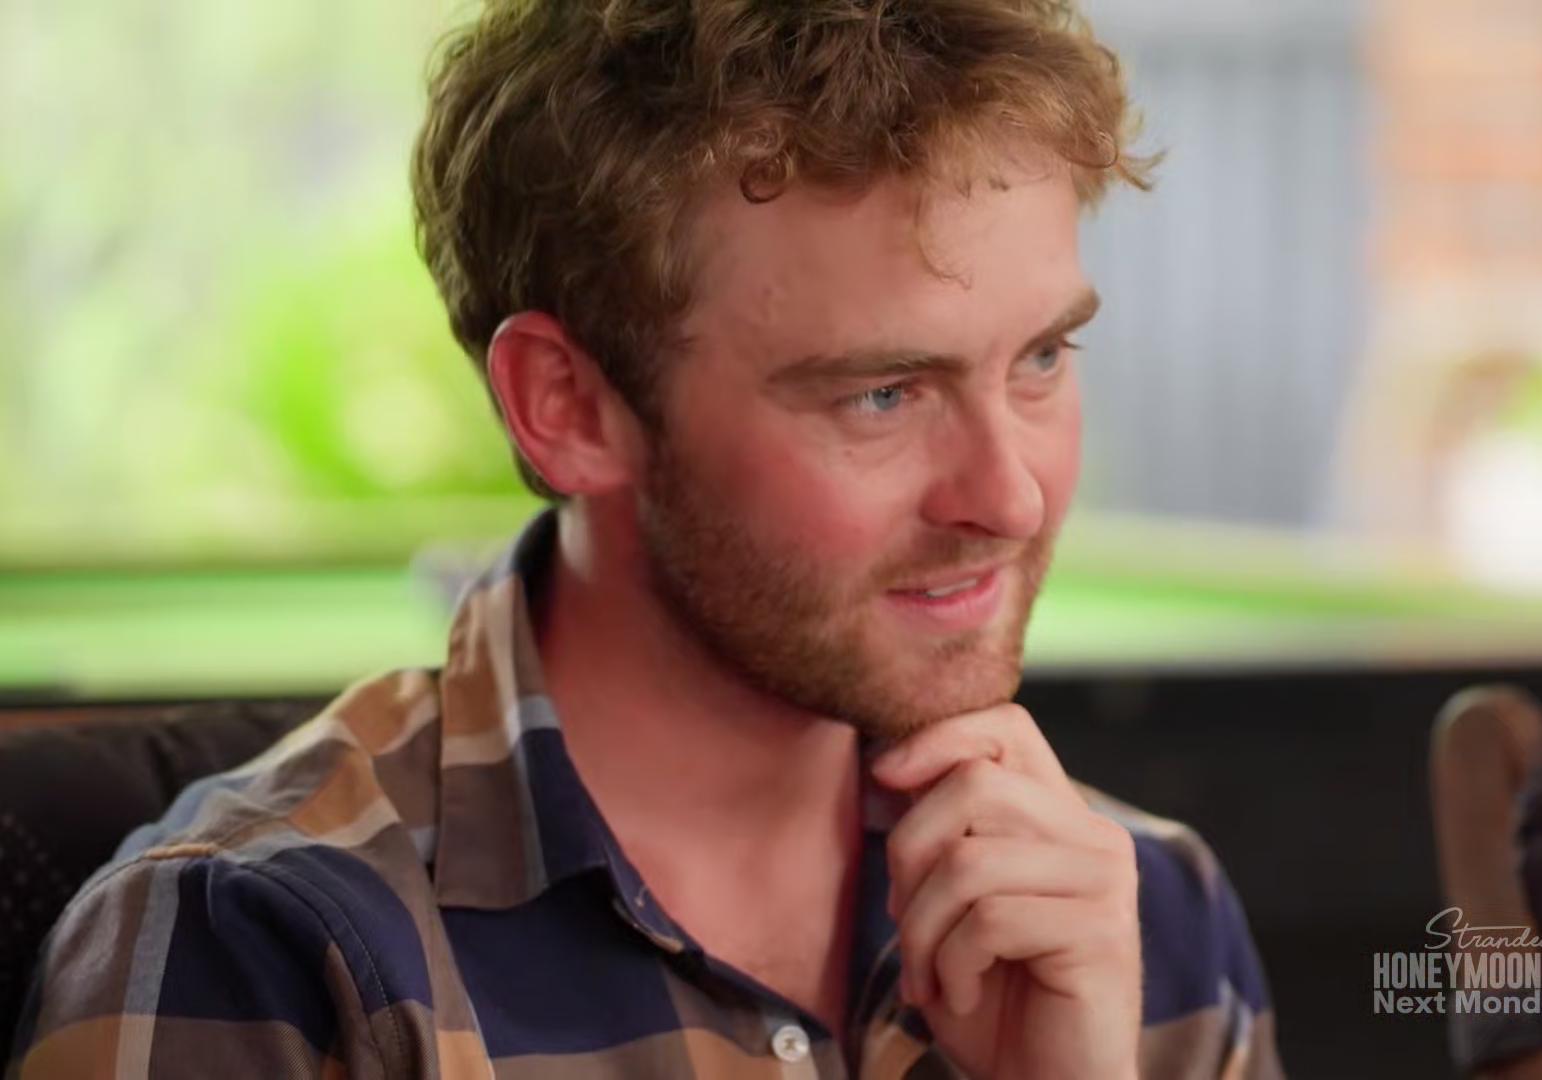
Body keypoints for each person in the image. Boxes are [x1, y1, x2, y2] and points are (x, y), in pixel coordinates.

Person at [5, 1, 1283, 1077]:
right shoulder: (260, 957)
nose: (1009, 498)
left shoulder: (1141, 918)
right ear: (568, 406)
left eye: (1044, 357)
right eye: (882, 395)